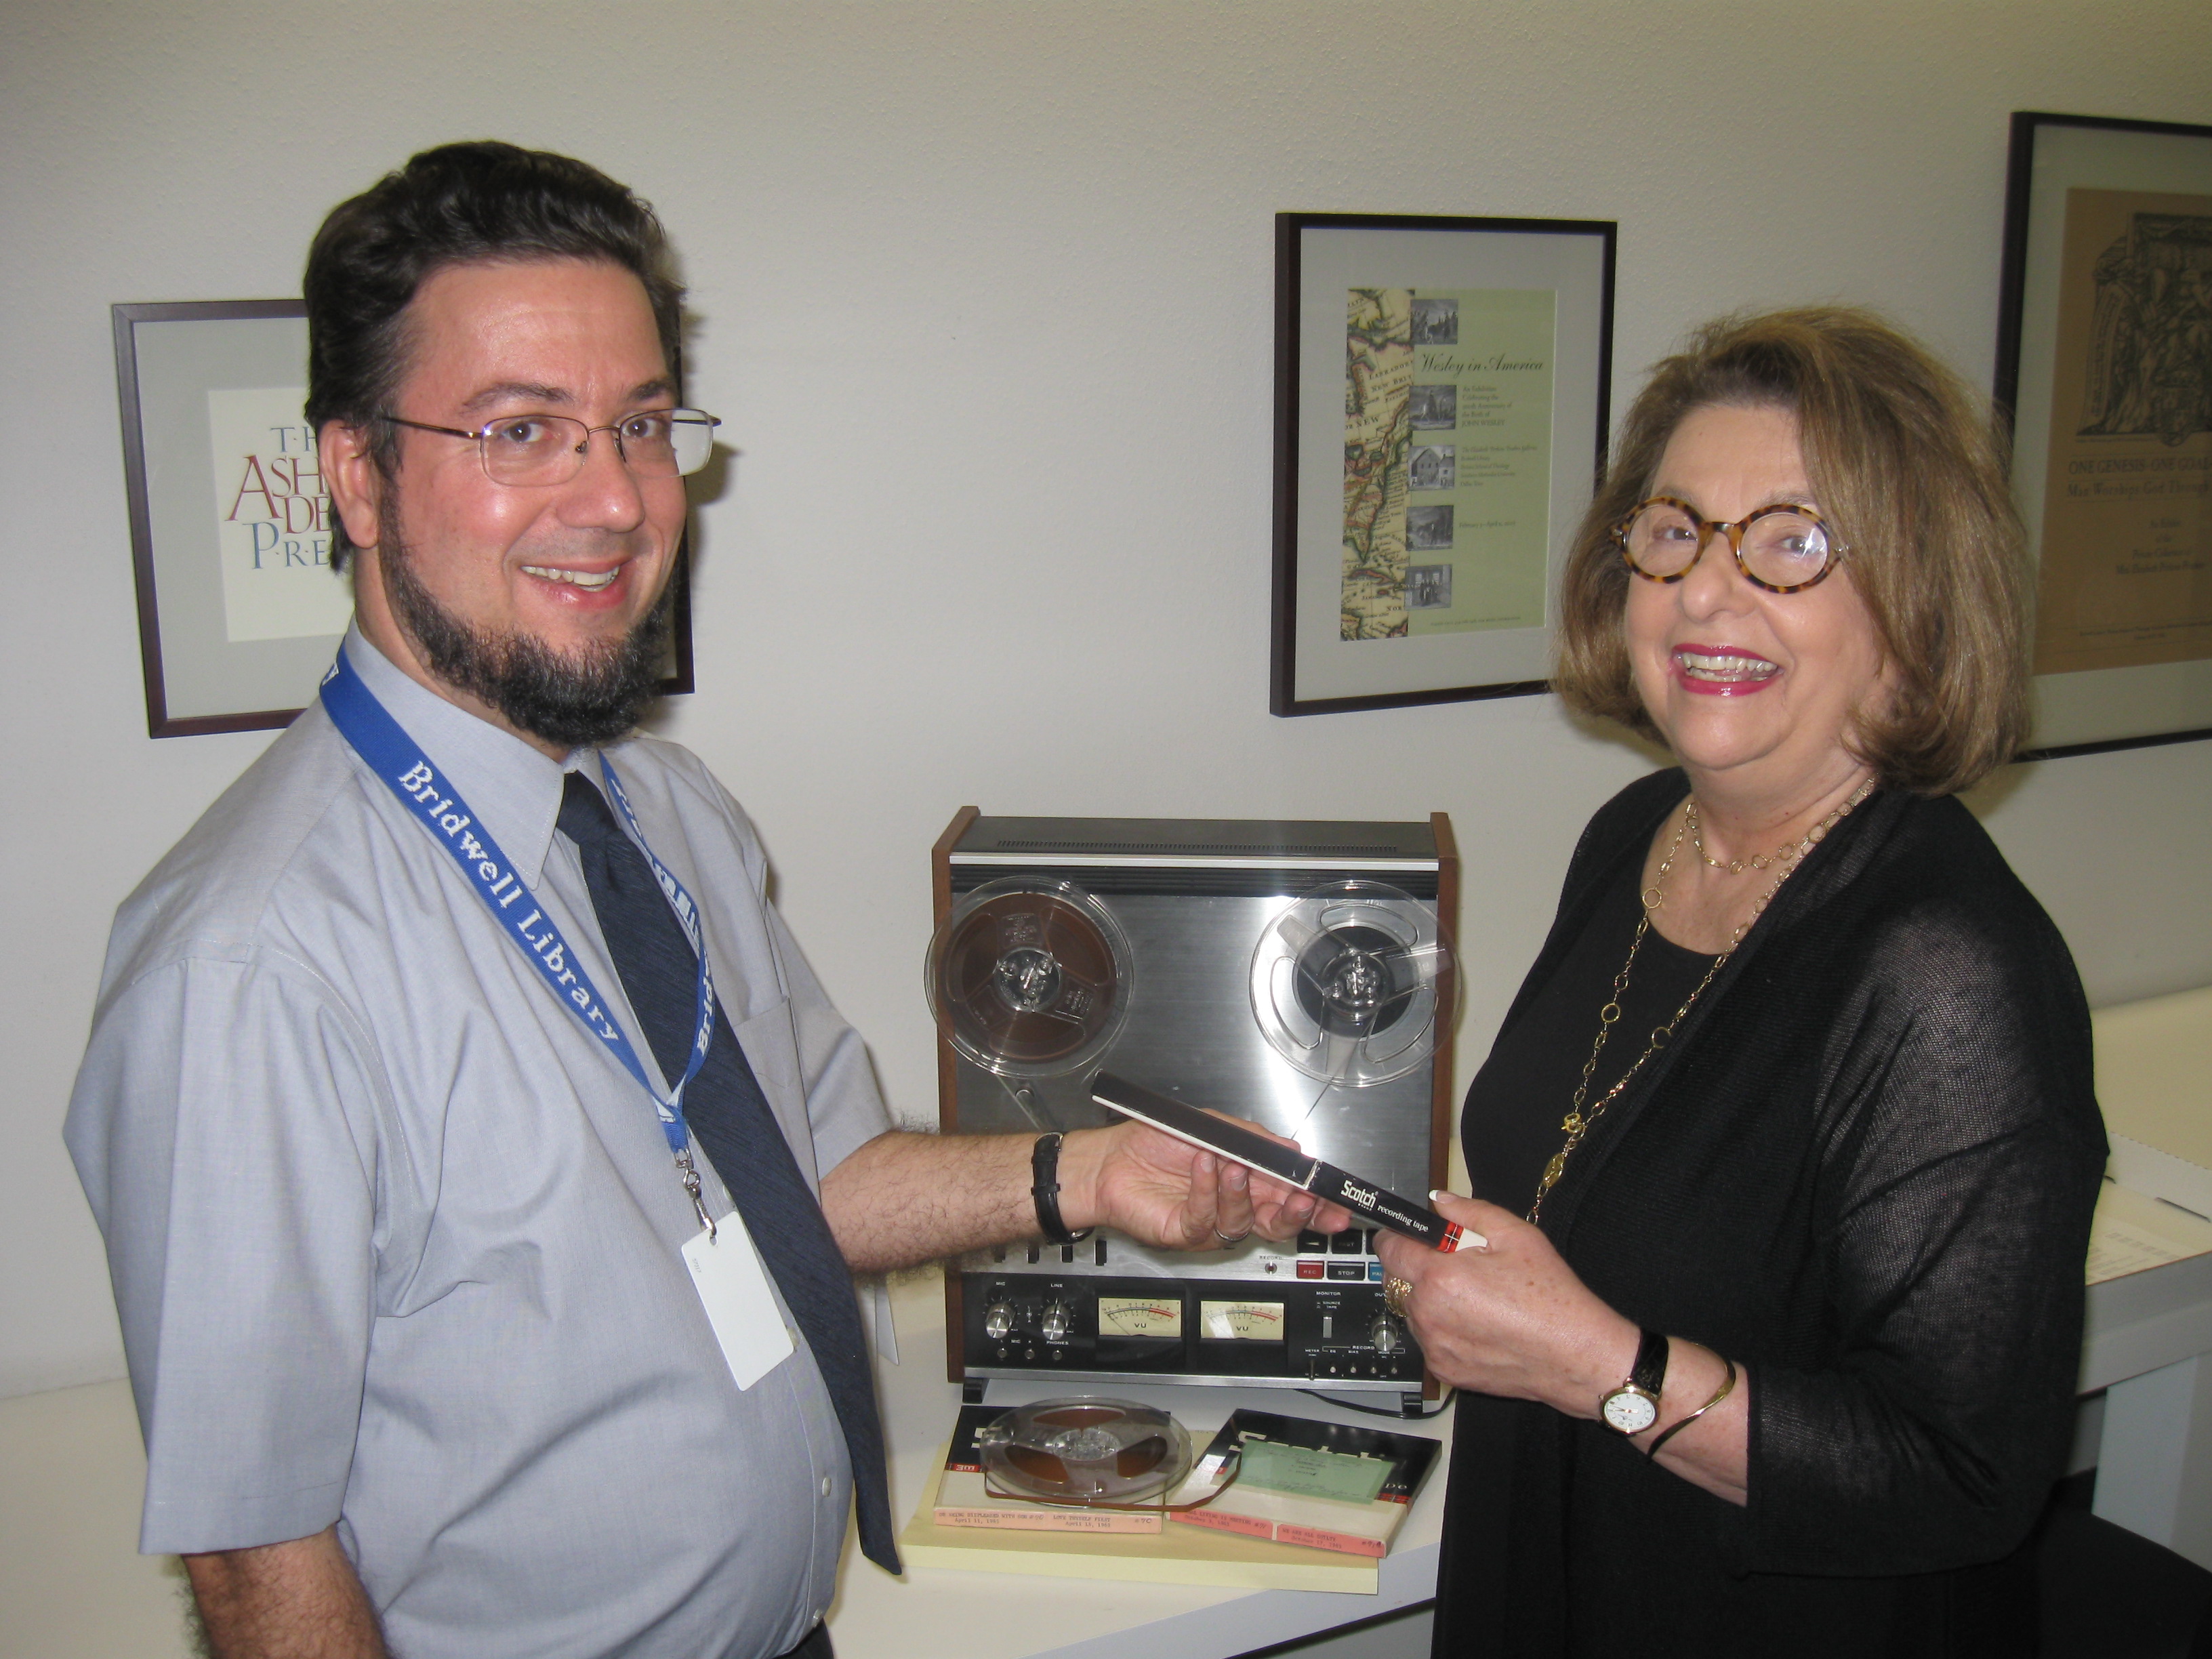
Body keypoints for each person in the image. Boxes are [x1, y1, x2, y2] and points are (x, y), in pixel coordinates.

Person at [64, 142, 1337, 1659]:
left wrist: (1091, 1179)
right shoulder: (250, 964)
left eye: (644, 423)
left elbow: (811, 1179)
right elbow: (258, 1555)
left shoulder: (665, 813)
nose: (614, 499)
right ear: (356, 473)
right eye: (521, 429)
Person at [1374, 308, 2107, 1657]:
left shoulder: (1952, 975)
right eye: (1673, 533)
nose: (1708, 592)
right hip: (1552, 1559)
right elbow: (1586, 1183)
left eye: (1793, 542)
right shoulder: (1635, 837)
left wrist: (1598, 1366)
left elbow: (1961, 1479)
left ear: (1916, 601)